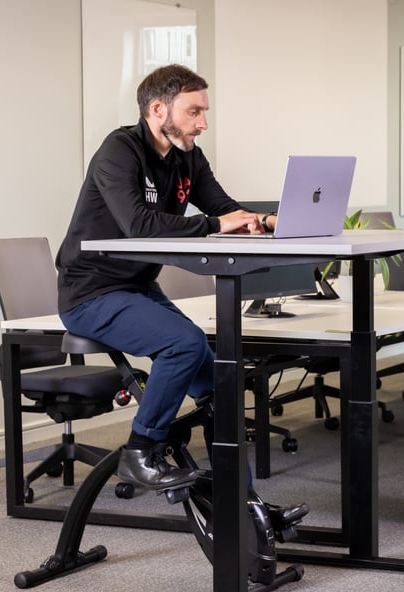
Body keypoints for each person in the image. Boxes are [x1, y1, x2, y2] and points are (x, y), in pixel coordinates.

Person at [55, 64, 306, 533]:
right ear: (157, 109)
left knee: (220, 387)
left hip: (136, 288)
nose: (202, 122)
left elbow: (223, 208)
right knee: (184, 344)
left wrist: (265, 220)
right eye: (194, 112)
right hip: (89, 292)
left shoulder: (188, 156)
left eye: (203, 112)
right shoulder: (119, 150)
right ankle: (140, 449)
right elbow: (140, 227)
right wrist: (218, 224)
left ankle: (244, 509)